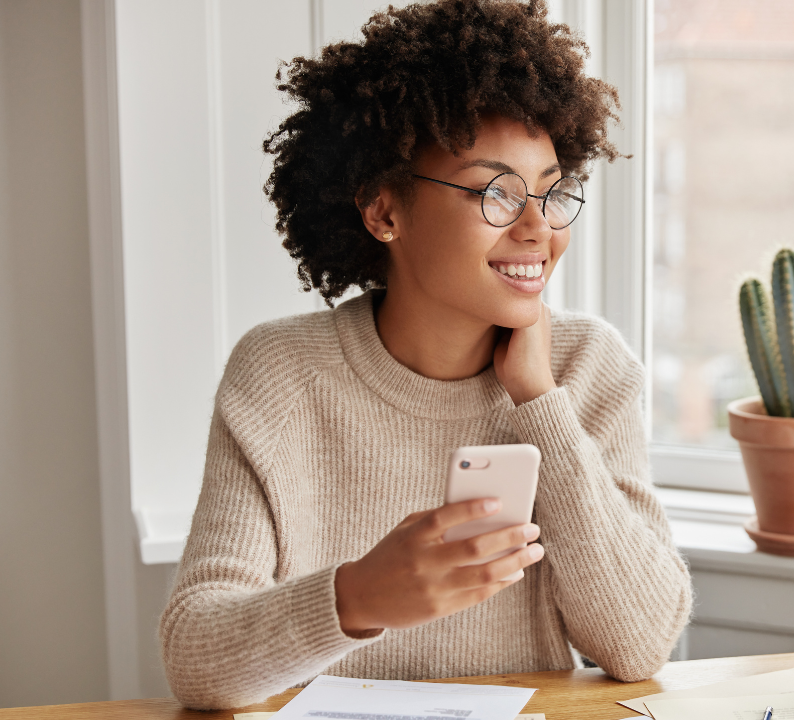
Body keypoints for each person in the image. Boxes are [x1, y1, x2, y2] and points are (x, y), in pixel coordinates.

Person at [159, 0, 692, 709]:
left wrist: (539, 402)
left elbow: (641, 643)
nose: (539, 228)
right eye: (495, 194)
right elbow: (197, 661)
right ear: (385, 212)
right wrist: (358, 597)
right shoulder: (281, 373)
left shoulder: (588, 368)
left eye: (552, 190)